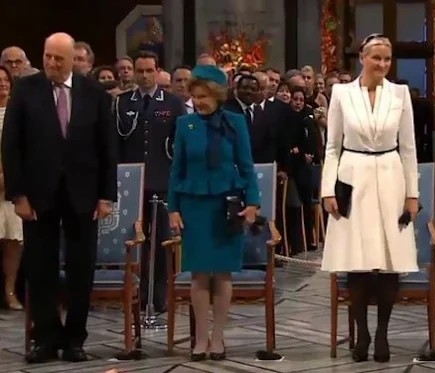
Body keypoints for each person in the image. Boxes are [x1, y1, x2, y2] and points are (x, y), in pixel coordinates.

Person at [1, 32, 117, 363]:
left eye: (58, 58)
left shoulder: (94, 93)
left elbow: (107, 147)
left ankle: (75, 339)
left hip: (84, 195)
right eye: (47, 56)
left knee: (81, 270)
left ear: (73, 60)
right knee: (40, 268)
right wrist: (18, 194)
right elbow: (12, 145)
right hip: (38, 196)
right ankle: (45, 338)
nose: (51, 63)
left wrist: (107, 195)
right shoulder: (26, 90)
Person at [320, 33, 419, 363]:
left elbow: (408, 148)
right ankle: (361, 333)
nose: (382, 64)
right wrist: (327, 190)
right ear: (362, 57)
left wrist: (412, 195)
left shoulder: (400, 94)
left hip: (391, 175)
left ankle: (382, 336)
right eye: (376, 57)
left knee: (390, 263)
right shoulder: (342, 93)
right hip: (352, 175)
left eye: (387, 58)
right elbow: (332, 146)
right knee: (358, 262)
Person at [168, 65, 259, 361]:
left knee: (221, 273)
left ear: (218, 95)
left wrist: (253, 203)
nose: (199, 102)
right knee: (198, 275)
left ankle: (218, 338)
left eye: (204, 96)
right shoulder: (185, 125)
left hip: (226, 206)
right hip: (194, 206)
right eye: (195, 96)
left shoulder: (235, 123)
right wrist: (174, 209)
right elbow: (176, 170)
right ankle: (200, 339)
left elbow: (247, 167)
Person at [114, 51, 185, 313]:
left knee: (161, 241)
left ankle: (160, 294)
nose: (144, 76)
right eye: (139, 71)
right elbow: (117, 143)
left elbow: (179, 147)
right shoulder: (122, 103)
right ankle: (138, 293)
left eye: (148, 71)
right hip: (132, 183)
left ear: (157, 71)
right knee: (135, 241)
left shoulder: (172, 103)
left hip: (162, 180)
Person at [0, 65, 24, 311]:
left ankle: (10, 290)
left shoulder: (18, 111)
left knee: (14, 241)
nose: (3, 84)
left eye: (5, 79)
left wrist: (10, 177)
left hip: (12, 185)